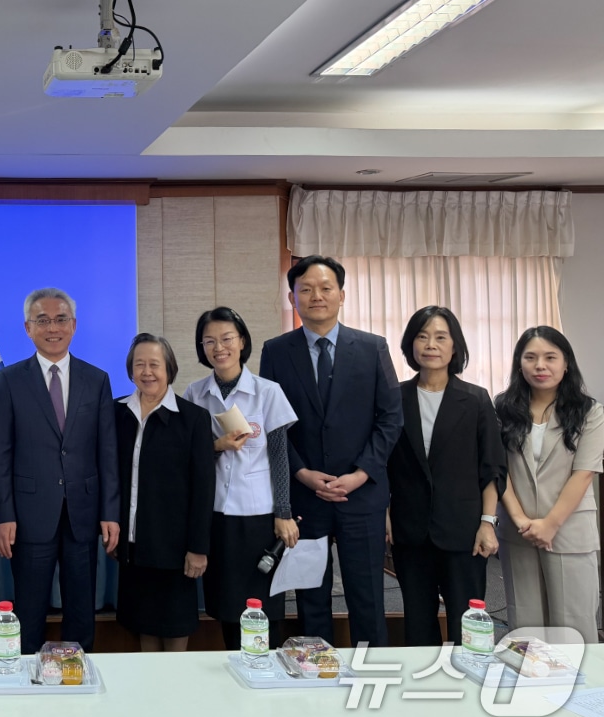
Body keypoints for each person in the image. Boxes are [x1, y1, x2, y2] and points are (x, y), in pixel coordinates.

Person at [258, 256, 402, 647]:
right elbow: (272, 423)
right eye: (305, 289)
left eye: (325, 288)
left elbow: (391, 419)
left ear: (341, 295)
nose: (316, 296)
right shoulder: (276, 351)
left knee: (367, 597)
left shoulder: (372, 347)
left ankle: (370, 671)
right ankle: (314, 670)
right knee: (311, 598)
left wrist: (360, 473)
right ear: (293, 298)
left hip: (362, 494)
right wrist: (301, 473)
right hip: (306, 497)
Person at [0, 287, 120, 654]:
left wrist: (110, 512)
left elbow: (107, 452)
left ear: (74, 325)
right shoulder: (10, 380)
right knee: (29, 608)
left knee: (81, 608)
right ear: (28, 328)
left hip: (83, 512)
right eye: (43, 320)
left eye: (61, 319)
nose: (53, 328)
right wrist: (3, 515)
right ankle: (27, 674)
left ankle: (78, 673)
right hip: (29, 514)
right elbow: (1, 453)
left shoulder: (97, 379)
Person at [386, 306, 506, 647]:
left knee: (467, 623)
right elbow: (383, 464)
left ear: (455, 346)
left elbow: (492, 467)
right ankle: (423, 679)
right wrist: (385, 513)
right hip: (410, 529)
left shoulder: (476, 399)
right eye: (422, 337)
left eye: (441, 337)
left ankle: (468, 678)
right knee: (418, 622)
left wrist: (487, 522)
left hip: (463, 529)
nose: (431, 345)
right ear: (410, 345)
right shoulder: (394, 398)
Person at [184, 307, 298, 650]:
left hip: (258, 515)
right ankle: (236, 666)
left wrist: (283, 512)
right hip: (216, 515)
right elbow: (188, 459)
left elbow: (279, 456)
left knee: (263, 608)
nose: (219, 348)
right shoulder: (194, 393)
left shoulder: (267, 391)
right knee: (227, 607)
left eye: (227, 339)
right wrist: (216, 446)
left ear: (243, 341)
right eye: (209, 341)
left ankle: (265, 669)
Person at [495, 326, 603, 643]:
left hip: (569, 529)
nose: (540, 365)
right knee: (525, 623)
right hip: (519, 530)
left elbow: (584, 473)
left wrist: (550, 524)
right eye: (530, 357)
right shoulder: (502, 410)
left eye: (550, 357)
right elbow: (499, 470)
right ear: (519, 364)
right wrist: (520, 519)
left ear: (566, 363)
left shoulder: (590, 412)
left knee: (574, 624)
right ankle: (530, 677)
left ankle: (580, 679)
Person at [113, 334, 213, 651]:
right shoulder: (116, 413)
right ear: (130, 370)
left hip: (175, 550)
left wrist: (198, 547)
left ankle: (174, 683)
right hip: (132, 546)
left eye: (154, 364)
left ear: (169, 368)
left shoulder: (193, 419)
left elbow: (203, 489)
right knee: (143, 626)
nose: (147, 372)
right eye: (139, 364)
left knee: (174, 628)